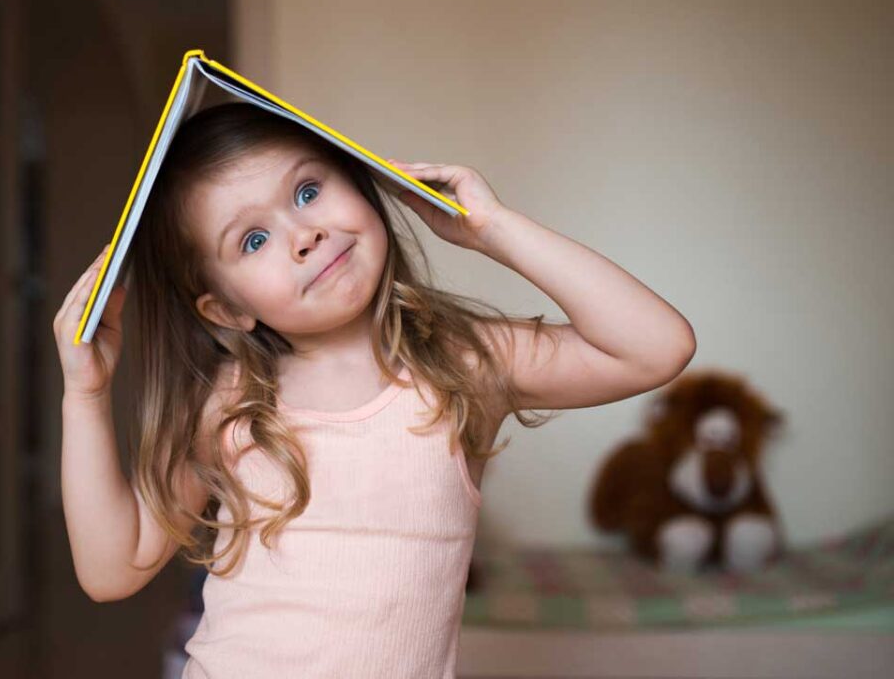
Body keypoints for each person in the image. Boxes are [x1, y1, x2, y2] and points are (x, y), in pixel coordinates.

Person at [53, 102, 696, 677]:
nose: (304, 235)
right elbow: (115, 568)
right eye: (253, 240)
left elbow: (655, 347)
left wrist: (493, 228)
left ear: (359, 182)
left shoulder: (465, 362)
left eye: (307, 191)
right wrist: (84, 397)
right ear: (226, 309)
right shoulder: (229, 398)